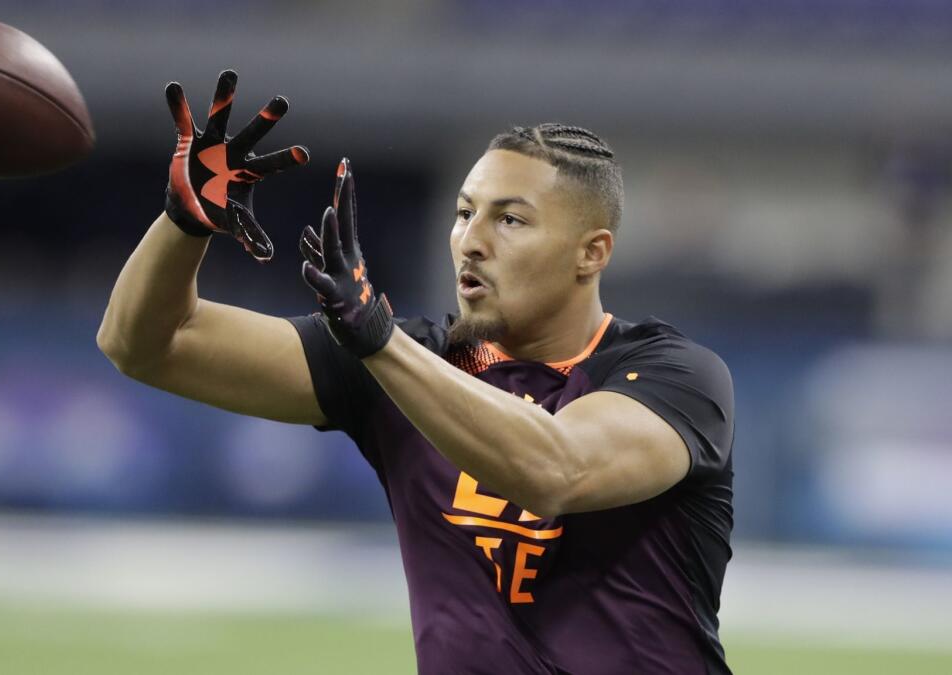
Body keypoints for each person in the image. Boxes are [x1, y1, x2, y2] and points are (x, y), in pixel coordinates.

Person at [97, 71, 735, 675]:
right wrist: (183, 223)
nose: (471, 240)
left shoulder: (676, 376)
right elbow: (146, 344)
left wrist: (379, 342)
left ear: (591, 253)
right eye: (464, 213)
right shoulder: (400, 358)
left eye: (510, 220)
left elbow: (556, 470)